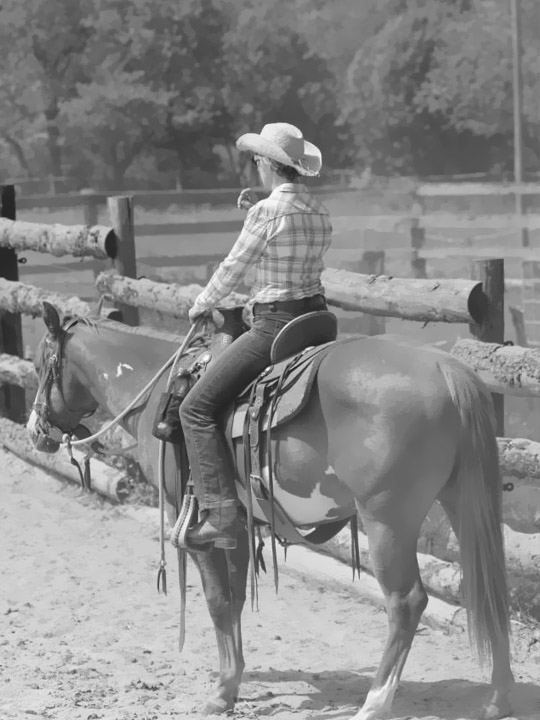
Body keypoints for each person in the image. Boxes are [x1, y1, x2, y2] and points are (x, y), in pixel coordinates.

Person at [179, 122, 333, 550]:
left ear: (266, 162)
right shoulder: (318, 209)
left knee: (196, 408)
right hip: (316, 319)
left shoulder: (265, 213)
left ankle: (221, 514)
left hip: (274, 324)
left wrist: (202, 303)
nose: (255, 168)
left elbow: (233, 267)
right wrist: (259, 206)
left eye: (256, 162)